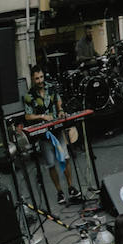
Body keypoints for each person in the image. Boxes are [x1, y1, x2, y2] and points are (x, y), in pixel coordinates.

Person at [21, 65, 81, 204]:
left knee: (65, 158)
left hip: (57, 130)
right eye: (37, 78)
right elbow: (28, 116)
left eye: (41, 77)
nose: (40, 80)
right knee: (50, 164)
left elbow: (59, 103)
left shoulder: (51, 88)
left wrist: (60, 111)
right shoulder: (29, 96)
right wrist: (42, 116)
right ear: (32, 79)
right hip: (43, 135)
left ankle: (71, 187)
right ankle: (59, 191)